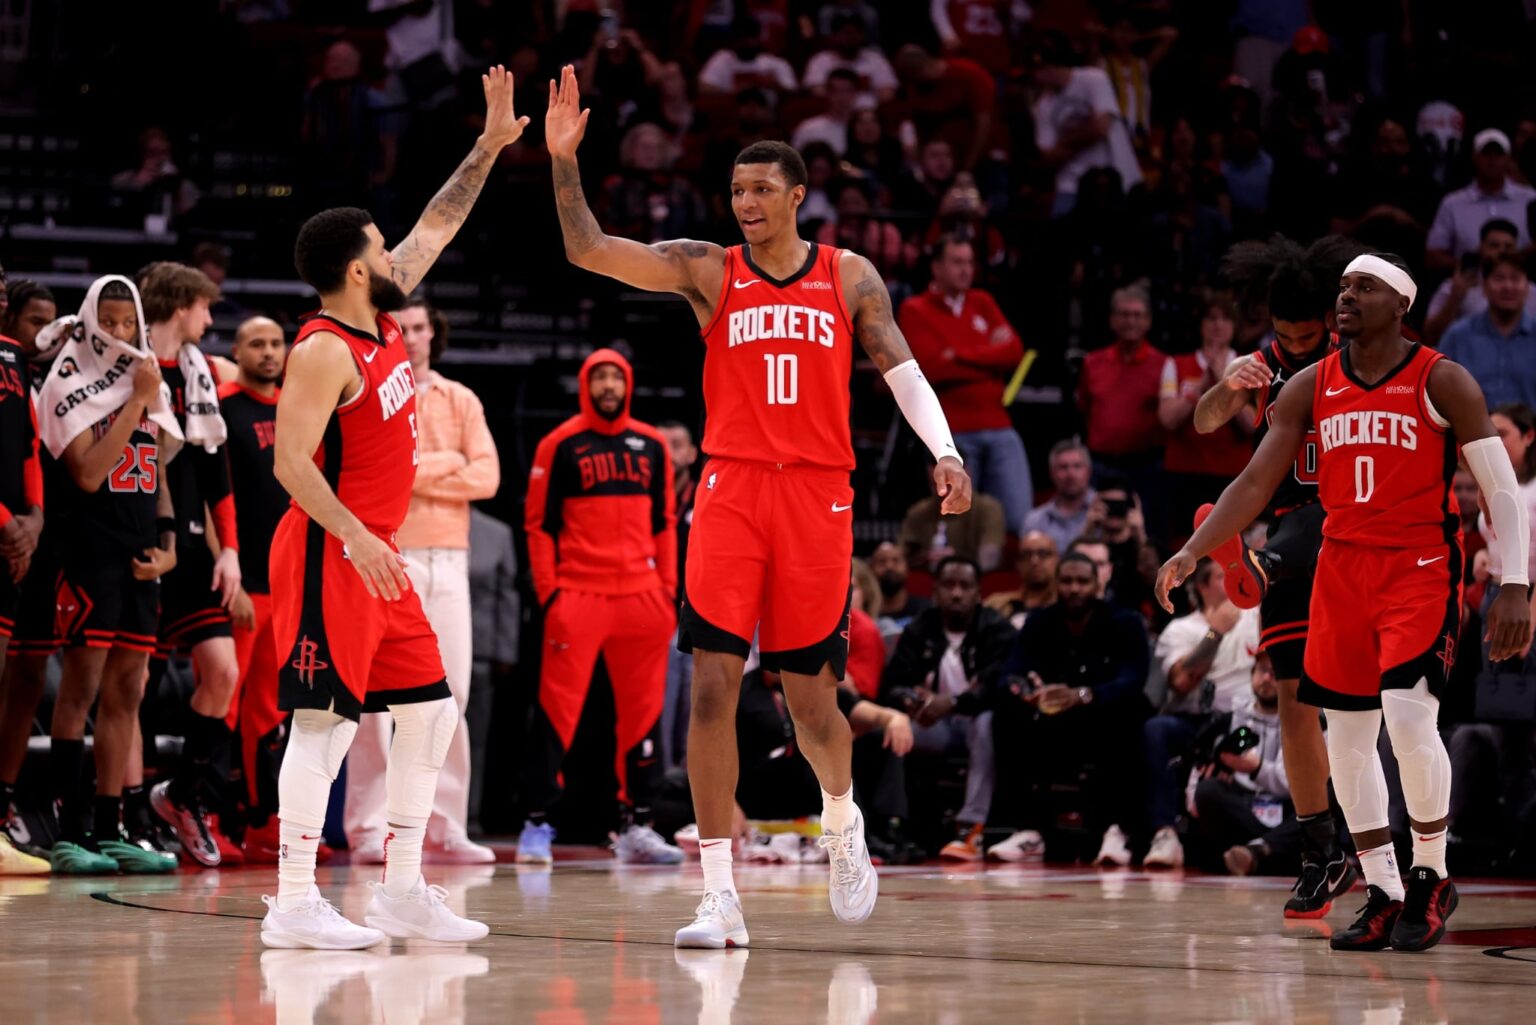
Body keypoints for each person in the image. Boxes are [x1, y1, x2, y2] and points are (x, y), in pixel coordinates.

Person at [547, 66, 972, 948]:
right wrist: (562, 163)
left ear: (798, 196)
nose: (744, 201)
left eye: (761, 189)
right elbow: (588, 249)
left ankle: (843, 821)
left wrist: (945, 450)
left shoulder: (848, 276)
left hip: (818, 497)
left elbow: (899, 364)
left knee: (812, 705)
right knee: (708, 690)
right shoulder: (709, 270)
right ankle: (718, 893)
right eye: (736, 188)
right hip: (731, 489)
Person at [1158, 252, 1532, 953]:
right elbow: (1251, 481)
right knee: (1347, 739)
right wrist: (1194, 546)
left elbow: (1502, 487)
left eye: (1363, 287)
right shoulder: (1309, 384)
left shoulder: (1442, 378)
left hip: (1418, 566)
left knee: (1409, 717)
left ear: (1401, 304)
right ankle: (1384, 888)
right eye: (1344, 287)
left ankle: (1432, 873)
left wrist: (1516, 582)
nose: (1346, 296)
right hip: (1340, 568)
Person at [259, 64, 527, 950]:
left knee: (430, 711)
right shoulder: (323, 348)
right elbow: (291, 465)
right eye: (379, 244)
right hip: (328, 551)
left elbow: (440, 220)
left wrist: (489, 144)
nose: (394, 251)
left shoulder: (379, 317)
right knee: (325, 725)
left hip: (376, 552)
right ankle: (293, 900)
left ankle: (404, 886)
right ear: (354, 267)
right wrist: (355, 537)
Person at [1191, 233, 1366, 919]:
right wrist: (1226, 383)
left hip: (1352, 529)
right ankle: (1321, 849)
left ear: (1329, 322)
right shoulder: (1264, 362)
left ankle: (1257, 563)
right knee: (1294, 703)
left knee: (1358, 710)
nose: (1295, 346)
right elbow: (1207, 422)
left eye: (1307, 335)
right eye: (1284, 335)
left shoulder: (1358, 360)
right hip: (1292, 535)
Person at [34, 276, 182, 875]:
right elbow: (90, 473)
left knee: (129, 694)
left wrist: (170, 545)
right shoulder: (68, 382)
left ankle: (109, 825)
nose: (119, 334)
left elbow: (162, 473)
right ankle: (68, 834)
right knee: (81, 690)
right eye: (110, 322)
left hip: (141, 557)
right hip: (88, 553)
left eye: (129, 323)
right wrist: (137, 403)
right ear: (91, 320)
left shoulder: (144, 379)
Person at [345, 298, 499, 867]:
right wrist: (447, 463)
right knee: (372, 703)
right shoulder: (375, 392)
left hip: (449, 561)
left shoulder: (461, 398)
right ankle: (366, 828)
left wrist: (417, 471)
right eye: (400, 328)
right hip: (387, 552)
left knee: (451, 696)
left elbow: (488, 476)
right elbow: (379, 473)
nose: (410, 337)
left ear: (435, 332)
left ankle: (445, 826)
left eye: (418, 328)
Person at [519, 349, 681, 866]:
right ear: (586, 385)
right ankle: (537, 824)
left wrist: (666, 590)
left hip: (642, 597)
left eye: (616, 376)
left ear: (627, 383)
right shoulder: (559, 443)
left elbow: (666, 524)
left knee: (644, 716)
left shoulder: (653, 445)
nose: (608, 385)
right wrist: (551, 593)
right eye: (600, 377)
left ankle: (638, 822)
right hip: (579, 594)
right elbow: (538, 525)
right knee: (555, 713)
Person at [134, 261, 243, 867]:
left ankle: (182, 794)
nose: (209, 318)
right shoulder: (131, 362)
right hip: (141, 534)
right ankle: (124, 809)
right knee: (135, 684)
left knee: (220, 672)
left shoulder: (198, 371)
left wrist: (228, 549)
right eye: (205, 307)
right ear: (181, 306)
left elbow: (213, 469)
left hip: (196, 543)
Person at [990, 552, 1151, 865]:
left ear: (1097, 585)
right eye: (1066, 581)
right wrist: (1028, 692)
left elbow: (1134, 680)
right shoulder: (1039, 622)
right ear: (1056, 584)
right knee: (1005, 715)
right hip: (1054, 719)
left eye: (1082, 581)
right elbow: (1010, 674)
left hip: (1106, 716)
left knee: (1133, 715)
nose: (1074, 588)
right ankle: (1030, 830)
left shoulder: (1125, 621)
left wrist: (1084, 694)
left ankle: (1119, 832)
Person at [216, 317, 292, 863]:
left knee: (270, 709)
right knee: (225, 702)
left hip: (286, 582)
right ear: (237, 351)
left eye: (276, 343)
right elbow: (213, 496)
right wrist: (232, 570)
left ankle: (264, 822)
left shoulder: (296, 405)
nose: (269, 353)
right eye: (257, 344)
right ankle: (215, 817)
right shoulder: (223, 406)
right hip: (242, 582)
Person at [880, 557, 1014, 861]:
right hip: (933, 722)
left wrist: (953, 702)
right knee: (895, 729)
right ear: (935, 591)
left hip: (978, 721)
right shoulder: (919, 628)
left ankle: (971, 826)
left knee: (986, 723)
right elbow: (894, 684)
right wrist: (912, 702)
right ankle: (893, 825)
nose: (956, 593)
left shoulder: (997, 629)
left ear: (979, 593)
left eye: (965, 586)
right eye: (948, 585)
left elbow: (999, 688)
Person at [898, 235, 1031, 533]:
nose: (966, 270)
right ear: (937, 267)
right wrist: (987, 356)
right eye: (957, 262)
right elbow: (930, 367)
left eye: (970, 262)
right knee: (958, 524)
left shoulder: (982, 302)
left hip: (999, 425)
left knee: (1018, 519)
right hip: (952, 433)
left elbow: (1014, 352)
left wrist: (957, 353)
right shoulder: (915, 309)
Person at [1143, 560, 1260, 869]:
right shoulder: (1180, 629)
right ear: (1201, 587)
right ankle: (1164, 833)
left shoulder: (1258, 618)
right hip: (1198, 722)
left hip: (1253, 719)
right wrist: (1216, 632)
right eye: (1223, 576)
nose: (1235, 580)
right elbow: (1182, 681)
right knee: (1157, 730)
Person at [0, 280, 57, 865]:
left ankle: (5, 802)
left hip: (36, 540)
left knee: (28, 677)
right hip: (8, 533)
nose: (40, 332)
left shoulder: (29, 367)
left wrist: (34, 522)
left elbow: (30, 451)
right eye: (31, 319)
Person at [1193, 647, 1304, 876]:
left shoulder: (1307, 721)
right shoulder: (1232, 718)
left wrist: (1258, 768)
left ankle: (1258, 851)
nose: (1266, 679)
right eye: (1262, 670)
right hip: (1245, 810)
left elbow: (1299, 784)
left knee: (1325, 801)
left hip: (1288, 810)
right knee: (1208, 791)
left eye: (1275, 673)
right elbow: (1200, 771)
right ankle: (1263, 852)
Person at [1160, 296, 1252, 533]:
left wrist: (1224, 382)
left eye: (1225, 318)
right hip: (1184, 474)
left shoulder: (1250, 364)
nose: (1218, 325)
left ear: (1234, 326)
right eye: (1211, 318)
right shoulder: (1176, 364)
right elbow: (1168, 419)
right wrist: (1200, 387)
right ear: (1200, 324)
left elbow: (1254, 424)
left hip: (1233, 475)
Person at [1424, 129, 1536, 273]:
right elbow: (1433, 255)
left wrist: (1520, 257)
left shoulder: (1530, 198)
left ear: (1508, 159)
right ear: (1474, 157)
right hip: (1468, 285)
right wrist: (1473, 265)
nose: (1492, 160)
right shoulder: (1452, 203)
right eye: (1486, 154)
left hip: (1521, 282)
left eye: (1498, 154)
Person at [1437, 253, 1536, 410]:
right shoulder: (1458, 336)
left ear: (1527, 288)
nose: (1508, 286)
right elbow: (1437, 392)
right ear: (1484, 287)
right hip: (1470, 432)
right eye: (1499, 278)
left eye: (1515, 278)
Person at [1421, 219, 1534, 347]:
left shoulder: (1532, 291)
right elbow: (1431, 338)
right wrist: (1455, 298)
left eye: (1508, 246)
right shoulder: (1453, 287)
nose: (1502, 251)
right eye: (1494, 245)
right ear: (1480, 248)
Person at [1022, 439, 1095, 554]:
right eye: (1063, 467)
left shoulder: (1105, 511)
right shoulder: (1035, 521)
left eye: (1077, 466)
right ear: (1052, 473)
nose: (1070, 474)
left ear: (1088, 472)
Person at [984, 531, 1058, 629]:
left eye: (1042, 554)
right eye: (1027, 555)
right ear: (1018, 564)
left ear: (1057, 560)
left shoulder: (1066, 608)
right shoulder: (995, 605)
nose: (1034, 561)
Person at [869, 540, 933, 644]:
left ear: (907, 569)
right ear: (870, 571)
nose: (889, 566)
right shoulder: (865, 613)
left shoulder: (926, 610)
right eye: (881, 561)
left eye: (896, 560)